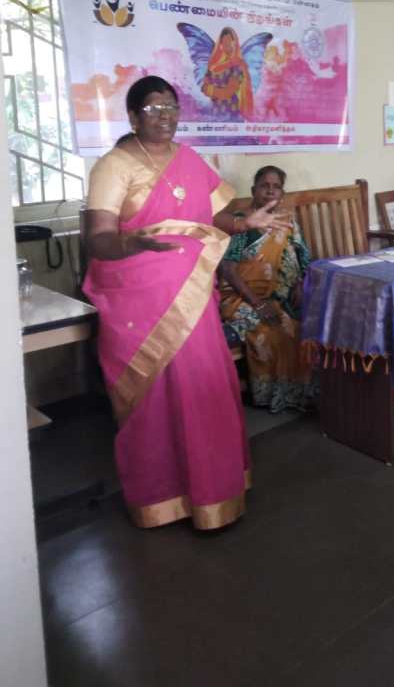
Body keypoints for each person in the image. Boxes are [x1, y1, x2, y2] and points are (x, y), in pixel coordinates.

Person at [83, 76, 291, 530]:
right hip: (140, 303)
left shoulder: (189, 159)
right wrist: (132, 242)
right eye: (153, 109)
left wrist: (245, 222)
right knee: (156, 400)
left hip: (193, 297)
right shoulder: (113, 166)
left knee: (204, 388)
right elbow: (97, 239)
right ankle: (162, 499)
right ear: (133, 117)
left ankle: (215, 492)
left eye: (171, 108)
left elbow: (213, 216)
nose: (165, 117)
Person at [219, 165, 315, 414]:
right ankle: (268, 395)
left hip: (277, 297)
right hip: (241, 297)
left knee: (296, 328)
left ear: (282, 193)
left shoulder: (286, 221)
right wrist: (258, 304)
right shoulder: (243, 222)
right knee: (268, 333)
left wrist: (300, 283)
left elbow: (304, 256)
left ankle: (295, 393)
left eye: (276, 187)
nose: (270, 191)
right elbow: (228, 269)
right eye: (264, 186)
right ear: (254, 190)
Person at [201, 26, 256, 120]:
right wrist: (208, 89)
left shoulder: (238, 64)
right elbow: (204, 86)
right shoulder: (214, 63)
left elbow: (228, 92)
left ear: (235, 44)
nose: (227, 44)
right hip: (214, 111)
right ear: (220, 43)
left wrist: (210, 90)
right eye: (224, 41)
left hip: (230, 112)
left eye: (230, 41)